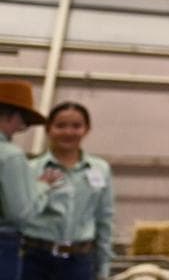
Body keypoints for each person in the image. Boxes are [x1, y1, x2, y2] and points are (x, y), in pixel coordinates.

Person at [22, 102, 115, 280]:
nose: (68, 132)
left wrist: (104, 265)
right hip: (34, 259)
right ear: (48, 129)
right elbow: (20, 212)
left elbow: (105, 218)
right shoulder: (31, 169)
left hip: (79, 261)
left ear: (87, 129)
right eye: (60, 126)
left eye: (76, 126)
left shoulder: (100, 169)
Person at [0, 80, 58, 278]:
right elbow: (20, 213)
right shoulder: (10, 156)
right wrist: (42, 187)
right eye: (22, 120)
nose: (22, 126)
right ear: (10, 115)